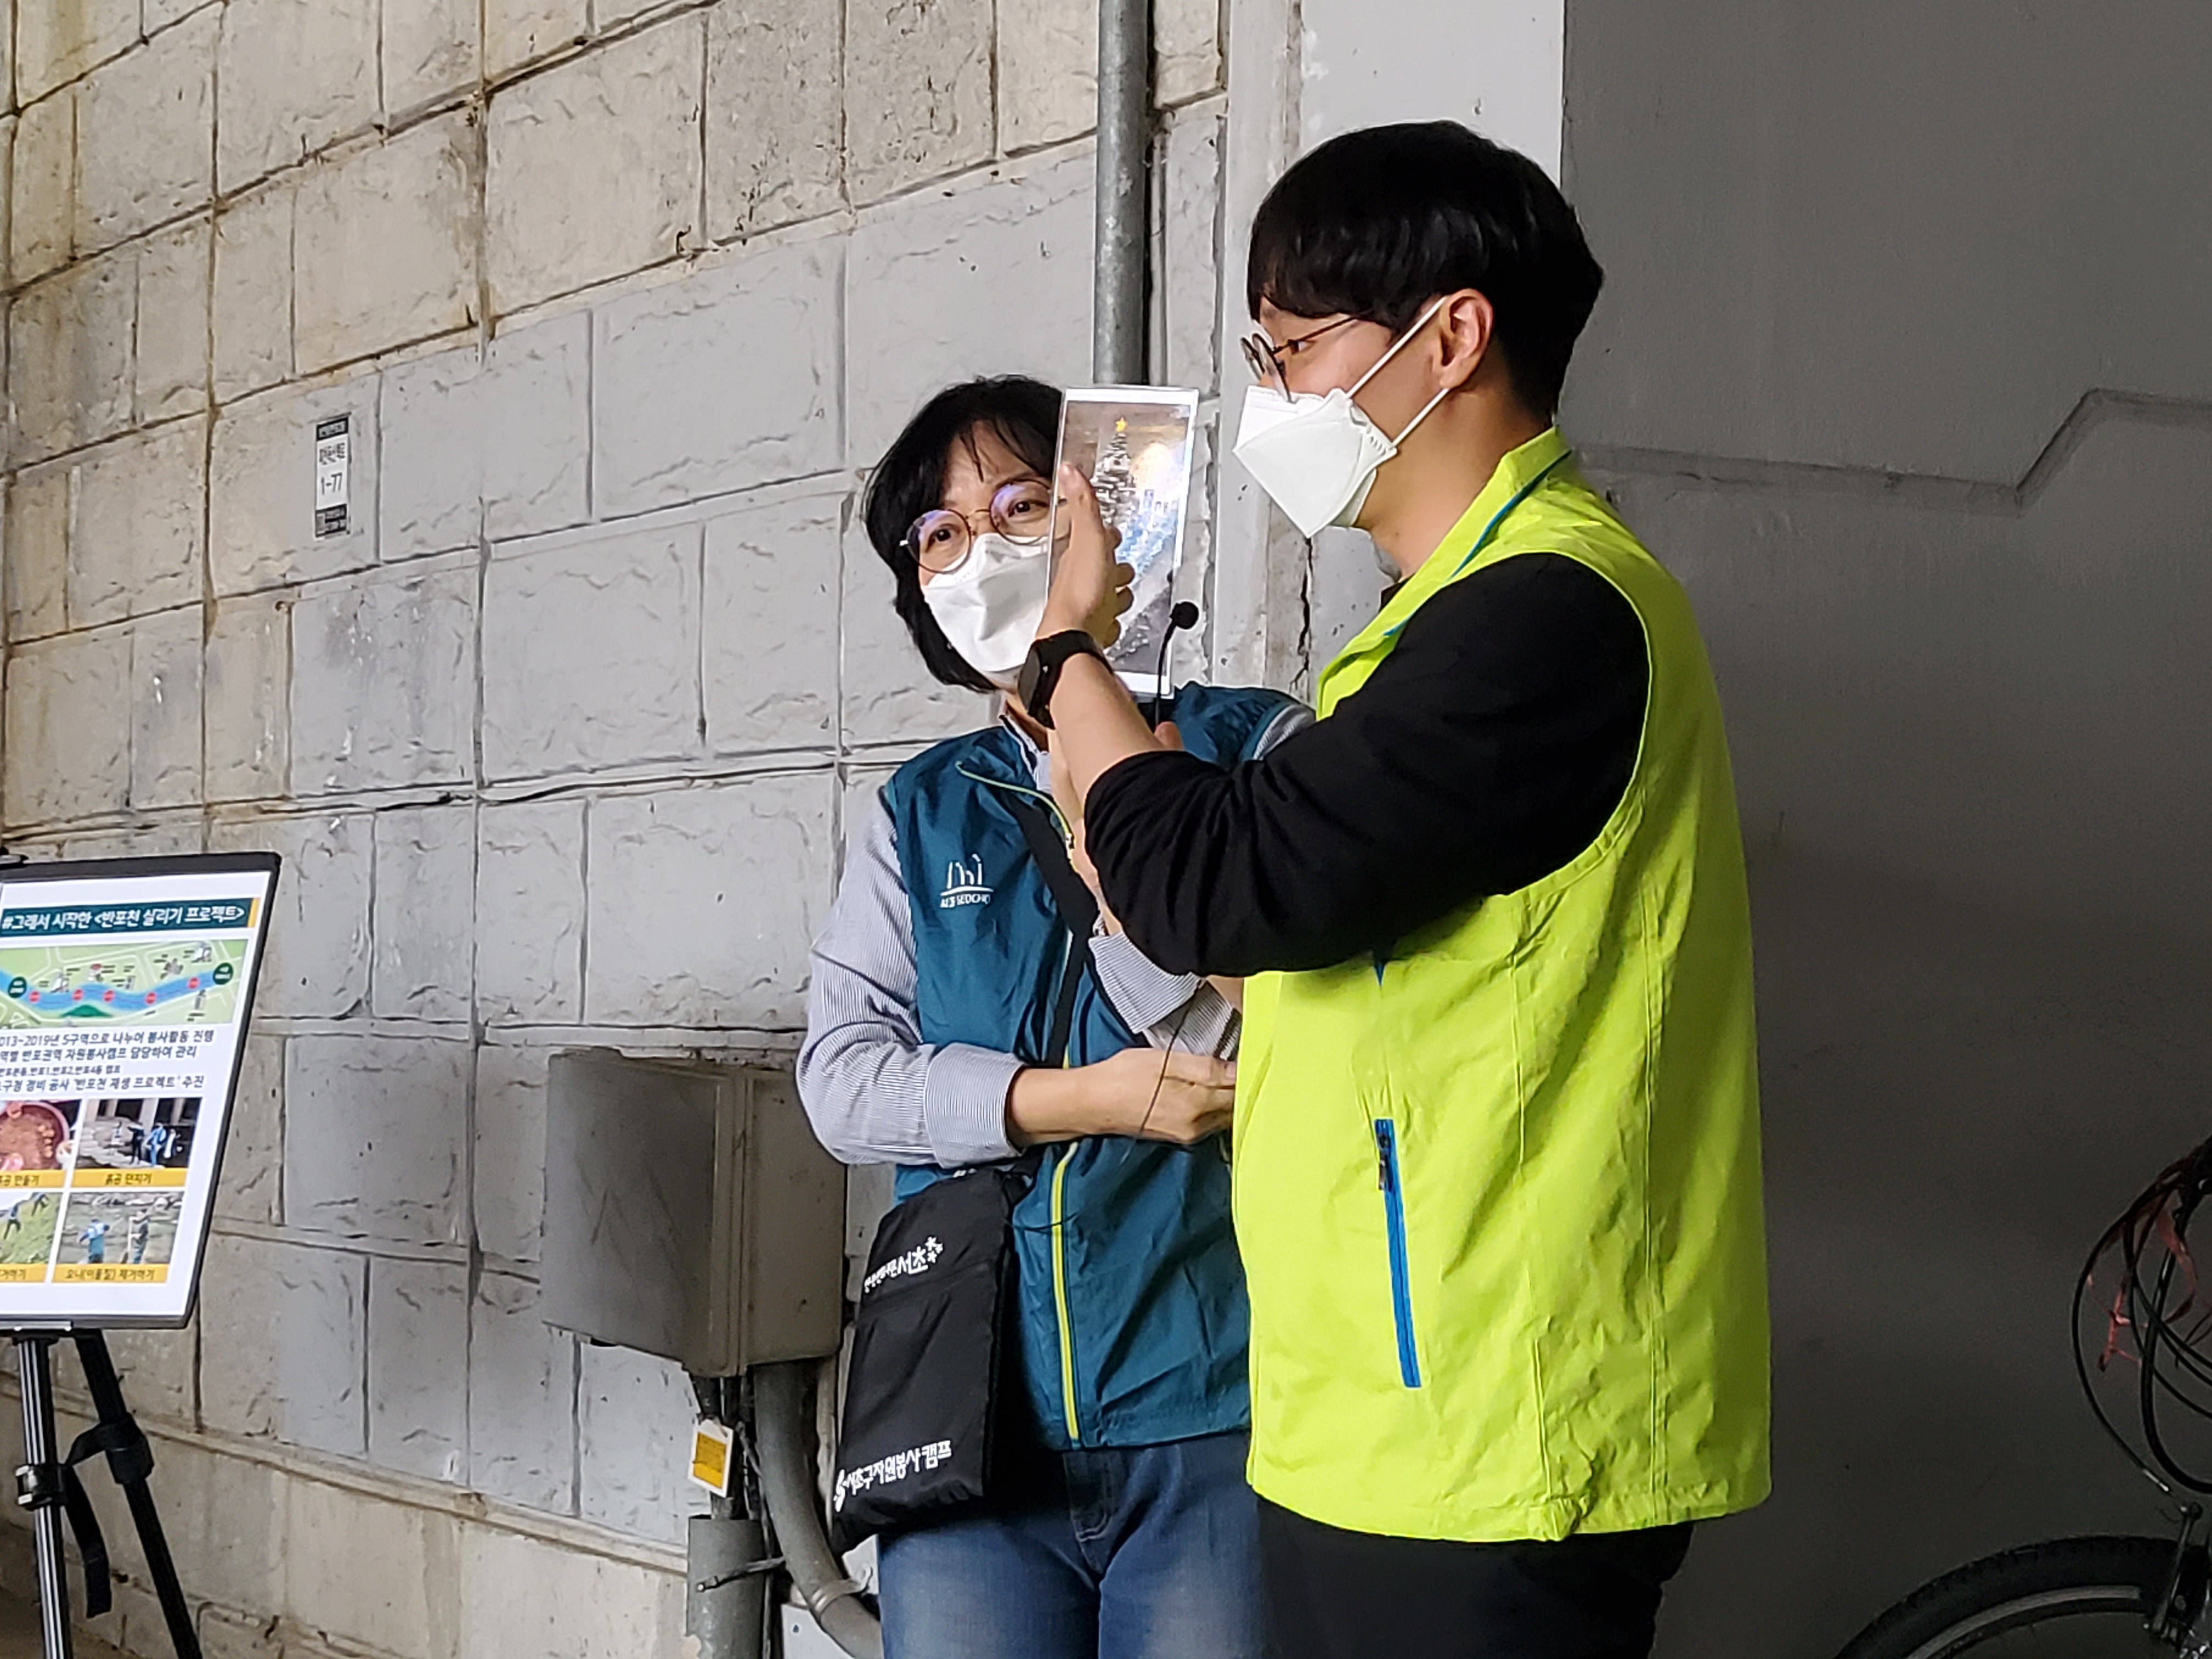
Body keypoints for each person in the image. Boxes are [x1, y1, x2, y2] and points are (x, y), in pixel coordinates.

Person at [1022, 121, 1770, 1659]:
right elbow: (1352, 958)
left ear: (1451, 337)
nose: (1273, 396)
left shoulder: (1550, 611)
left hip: (1502, 1423)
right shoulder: (1441, 624)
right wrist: (1152, 850)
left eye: (1293, 349)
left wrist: (1072, 649)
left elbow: (1217, 879)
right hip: (1388, 1411)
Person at [797, 376, 1307, 1659]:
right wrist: (1075, 1102)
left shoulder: (1255, 751)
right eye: (942, 534)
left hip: (1216, 1404)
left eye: (1022, 507)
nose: (981, 550)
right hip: (978, 1420)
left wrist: (1105, 815)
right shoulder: (923, 810)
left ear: (1104, 523)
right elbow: (842, 1082)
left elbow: (1261, 1039)